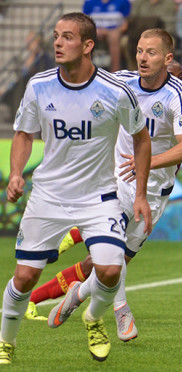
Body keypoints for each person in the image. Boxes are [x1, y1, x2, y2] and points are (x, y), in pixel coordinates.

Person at [0, 12, 152, 365]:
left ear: (87, 46)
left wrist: (140, 194)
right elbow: (24, 134)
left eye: (67, 37)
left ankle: (93, 318)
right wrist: (16, 174)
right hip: (48, 195)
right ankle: (6, 342)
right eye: (55, 36)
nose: (57, 42)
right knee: (24, 278)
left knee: (111, 269)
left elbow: (141, 138)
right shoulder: (38, 85)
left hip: (98, 197)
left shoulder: (116, 92)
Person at [22, 59, 182, 323]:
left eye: (181, 77)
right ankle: (117, 306)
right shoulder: (126, 87)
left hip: (156, 194)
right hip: (121, 177)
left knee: (104, 266)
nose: (177, 81)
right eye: (174, 75)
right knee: (110, 248)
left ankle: (63, 295)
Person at [45, 28, 182, 343]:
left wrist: (148, 162)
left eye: (151, 52)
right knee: (111, 251)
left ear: (168, 59)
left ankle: (78, 292)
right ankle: (121, 310)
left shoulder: (179, 95)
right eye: (140, 50)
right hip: (116, 179)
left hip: (155, 190)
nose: (143, 57)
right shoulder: (121, 82)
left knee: (114, 264)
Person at [83, 0, 131, 72]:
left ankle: (115, 72)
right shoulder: (89, 2)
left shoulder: (123, 2)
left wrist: (111, 31)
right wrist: (95, 30)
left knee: (114, 36)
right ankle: (85, 71)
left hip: (115, 31)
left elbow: (125, 25)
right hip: (94, 31)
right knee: (85, 37)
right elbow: (84, 22)